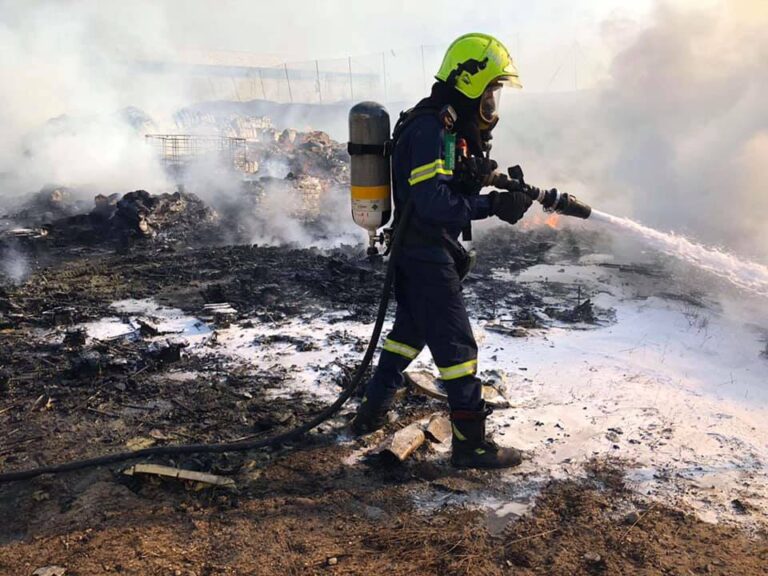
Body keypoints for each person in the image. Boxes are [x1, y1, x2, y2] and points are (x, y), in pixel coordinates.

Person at [351, 33, 534, 469]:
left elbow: (439, 188)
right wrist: (493, 205)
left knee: (407, 335)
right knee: (458, 351)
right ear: (469, 82)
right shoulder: (433, 126)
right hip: (426, 254)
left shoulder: (441, 122)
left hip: (418, 252)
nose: (492, 103)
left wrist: (479, 178)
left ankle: (369, 414)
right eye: (490, 91)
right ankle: (471, 448)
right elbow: (433, 204)